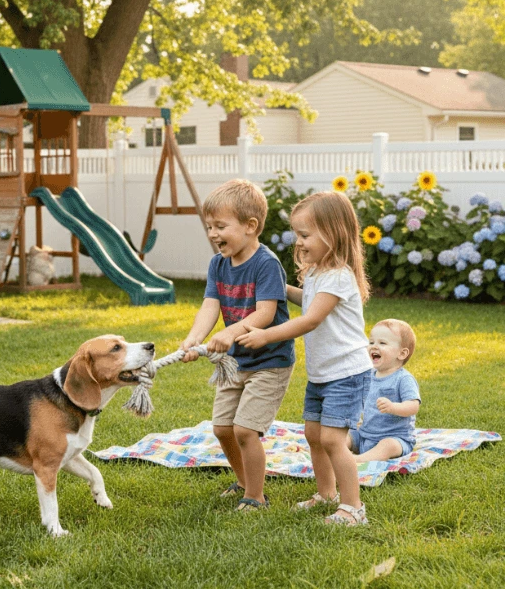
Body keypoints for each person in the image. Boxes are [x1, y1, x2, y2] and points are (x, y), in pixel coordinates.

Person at [237, 191, 372, 525]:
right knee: (313, 435)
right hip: (323, 374)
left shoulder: (339, 275)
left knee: (331, 439)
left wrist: (265, 334)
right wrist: (279, 289)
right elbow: (306, 301)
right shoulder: (315, 273)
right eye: (297, 234)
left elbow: (311, 319)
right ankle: (326, 494)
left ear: (333, 232)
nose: (298, 242)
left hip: (348, 373)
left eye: (305, 235)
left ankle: (353, 507)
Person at [180, 179, 295, 512]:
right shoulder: (218, 264)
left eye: (220, 226)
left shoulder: (266, 264)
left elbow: (266, 313)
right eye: (209, 227)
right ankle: (244, 480)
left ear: (250, 226)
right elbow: (210, 305)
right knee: (222, 428)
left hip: (270, 360)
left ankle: (256, 497)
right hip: (237, 362)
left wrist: (230, 334)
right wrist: (194, 339)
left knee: (245, 430)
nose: (213, 234)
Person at [348, 319, 420, 462]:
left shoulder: (403, 379)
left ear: (401, 354)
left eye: (382, 343)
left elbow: (413, 406)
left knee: (387, 445)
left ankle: (359, 460)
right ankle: (334, 453)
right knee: (343, 434)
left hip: (396, 437)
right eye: (371, 342)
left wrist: (393, 407)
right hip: (364, 434)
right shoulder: (368, 374)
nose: (374, 347)